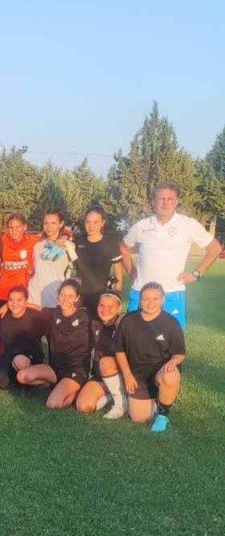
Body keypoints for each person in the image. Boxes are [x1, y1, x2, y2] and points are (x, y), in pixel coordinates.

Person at [120, 181, 221, 328]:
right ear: (153, 202)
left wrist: (196, 274)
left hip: (172, 292)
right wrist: (131, 270)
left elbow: (215, 248)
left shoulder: (188, 224)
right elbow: (124, 248)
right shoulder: (141, 225)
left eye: (170, 199)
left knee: (170, 339)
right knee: (132, 335)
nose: (165, 203)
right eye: (161, 199)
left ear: (176, 202)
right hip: (141, 291)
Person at [115, 282, 185, 432]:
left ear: (163, 300)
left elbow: (180, 353)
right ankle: (160, 397)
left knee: (170, 376)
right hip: (138, 374)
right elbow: (119, 350)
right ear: (140, 299)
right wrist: (127, 374)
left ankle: (163, 414)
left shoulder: (171, 323)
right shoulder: (128, 320)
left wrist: (173, 362)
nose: (150, 303)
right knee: (139, 419)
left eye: (155, 299)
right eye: (145, 298)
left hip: (160, 372)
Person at [16, 280, 92, 410]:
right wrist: (8, 306)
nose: (65, 299)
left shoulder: (85, 317)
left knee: (53, 404)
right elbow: (38, 308)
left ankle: (76, 391)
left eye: (70, 296)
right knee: (22, 376)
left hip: (75, 371)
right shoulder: (54, 314)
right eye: (62, 295)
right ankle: (57, 386)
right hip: (55, 369)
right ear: (58, 295)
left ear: (77, 298)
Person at [0, 285, 46, 393]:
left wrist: (27, 305)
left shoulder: (35, 317)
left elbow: (49, 313)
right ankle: (14, 380)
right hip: (8, 357)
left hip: (29, 357)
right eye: (11, 300)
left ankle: (35, 383)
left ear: (26, 300)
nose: (14, 304)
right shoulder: (4, 316)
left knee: (19, 360)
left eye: (19, 300)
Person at [74, 291, 127, 416]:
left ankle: (121, 404)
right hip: (100, 375)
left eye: (110, 306)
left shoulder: (126, 324)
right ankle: (110, 395)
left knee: (106, 362)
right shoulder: (94, 324)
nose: (105, 310)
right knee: (83, 406)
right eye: (102, 305)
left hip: (123, 375)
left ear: (119, 308)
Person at [74, 206, 123, 318]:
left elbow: (118, 272)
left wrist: (117, 297)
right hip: (79, 297)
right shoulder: (78, 242)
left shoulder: (110, 243)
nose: (91, 226)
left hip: (100, 298)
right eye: (88, 222)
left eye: (96, 222)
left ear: (102, 223)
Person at [28, 209, 77, 308]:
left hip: (55, 300)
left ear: (61, 224)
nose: (49, 227)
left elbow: (77, 269)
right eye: (46, 223)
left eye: (53, 223)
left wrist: (65, 236)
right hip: (33, 299)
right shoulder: (37, 245)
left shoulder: (68, 246)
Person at [0, 212, 39, 311]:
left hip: (22, 293)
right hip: (4, 292)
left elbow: (50, 233)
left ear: (24, 227)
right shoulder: (2, 240)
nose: (14, 231)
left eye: (17, 227)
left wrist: (65, 235)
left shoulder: (32, 240)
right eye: (11, 227)